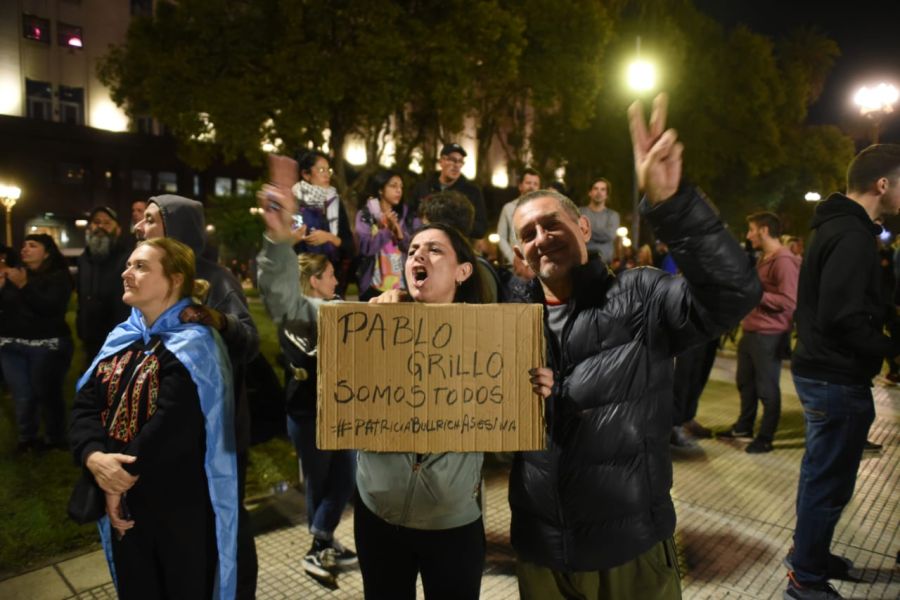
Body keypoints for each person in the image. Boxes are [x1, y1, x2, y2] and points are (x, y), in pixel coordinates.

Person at [508, 94, 761, 599]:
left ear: (584, 227)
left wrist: (673, 205)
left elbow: (734, 293)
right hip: (541, 554)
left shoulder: (639, 295)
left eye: (552, 223)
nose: (542, 237)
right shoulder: (509, 320)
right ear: (519, 253)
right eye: (528, 233)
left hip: (629, 552)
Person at [362, 222, 552, 600]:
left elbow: (506, 439)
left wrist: (537, 393)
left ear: (463, 271)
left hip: (453, 525)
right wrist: (374, 321)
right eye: (413, 248)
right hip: (378, 518)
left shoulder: (492, 343)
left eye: (434, 249)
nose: (418, 255)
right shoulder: (374, 323)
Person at [69, 237, 238, 599]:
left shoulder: (195, 344)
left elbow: (171, 425)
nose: (126, 273)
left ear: (175, 279)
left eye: (140, 266)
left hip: (177, 508)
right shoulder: (122, 337)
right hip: (125, 506)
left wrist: (116, 481)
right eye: (128, 265)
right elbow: (85, 405)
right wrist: (93, 457)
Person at [784, 144, 900, 600]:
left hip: (825, 372)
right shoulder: (852, 236)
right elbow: (843, 317)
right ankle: (806, 578)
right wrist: (891, 347)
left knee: (822, 476)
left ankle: (809, 555)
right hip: (835, 376)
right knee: (828, 483)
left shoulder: (840, 227)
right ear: (883, 184)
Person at [134, 196, 260, 600]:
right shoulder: (147, 278)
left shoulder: (216, 279)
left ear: (176, 228)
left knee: (226, 523)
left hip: (217, 433)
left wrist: (219, 320)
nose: (139, 227)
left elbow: (250, 340)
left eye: (150, 220)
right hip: (169, 436)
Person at [256, 178, 358, 585]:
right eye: (331, 275)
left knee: (333, 480)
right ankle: (321, 545)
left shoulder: (327, 310)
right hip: (309, 413)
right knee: (329, 481)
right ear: (315, 280)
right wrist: (278, 242)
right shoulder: (308, 311)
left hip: (325, 412)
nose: (336, 282)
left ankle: (321, 543)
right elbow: (276, 287)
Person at [721, 212, 800, 454]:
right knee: (746, 382)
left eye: (751, 230)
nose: (748, 235)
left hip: (769, 333)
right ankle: (744, 427)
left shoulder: (784, 260)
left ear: (764, 230)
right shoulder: (766, 257)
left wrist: (755, 294)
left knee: (767, 387)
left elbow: (789, 300)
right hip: (753, 329)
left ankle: (765, 437)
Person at [0, 234, 74, 452]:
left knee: (48, 393)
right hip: (11, 347)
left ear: (47, 252)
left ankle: (55, 438)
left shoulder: (59, 277)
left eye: (33, 246)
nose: (25, 249)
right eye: (24, 245)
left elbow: (50, 307)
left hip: (46, 347)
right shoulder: (14, 275)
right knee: (22, 395)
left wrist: (24, 286)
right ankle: (27, 438)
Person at [291, 150, 354, 295]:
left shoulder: (335, 203)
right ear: (306, 174)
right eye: (321, 170)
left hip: (331, 280)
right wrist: (294, 238)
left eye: (328, 170)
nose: (326, 174)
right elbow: (281, 246)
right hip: (301, 281)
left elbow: (349, 247)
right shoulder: (293, 203)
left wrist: (329, 237)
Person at [77, 206, 133, 365]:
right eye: (96, 222)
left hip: (119, 337)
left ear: (118, 230)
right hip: (90, 337)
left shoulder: (128, 258)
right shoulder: (84, 259)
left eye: (107, 223)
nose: (100, 227)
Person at [355, 169, 417, 301]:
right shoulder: (366, 215)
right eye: (393, 186)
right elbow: (365, 248)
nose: (399, 190)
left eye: (401, 187)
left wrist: (399, 233)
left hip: (402, 285)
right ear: (380, 189)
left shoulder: (408, 216)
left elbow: (413, 248)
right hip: (373, 287)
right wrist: (387, 231)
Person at [410, 143, 488, 240]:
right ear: (441, 161)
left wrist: (453, 222)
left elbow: (481, 229)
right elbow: (410, 215)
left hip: (456, 248)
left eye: (460, 161)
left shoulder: (472, 192)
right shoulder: (424, 187)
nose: (456, 165)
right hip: (425, 243)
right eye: (452, 160)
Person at [497, 168, 542, 268]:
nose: (532, 187)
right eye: (528, 183)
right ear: (520, 186)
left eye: (535, 184)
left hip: (537, 267)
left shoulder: (544, 211)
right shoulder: (508, 208)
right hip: (514, 267)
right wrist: (513, 259)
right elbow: (501, 237)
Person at [579, 177, 621, 263]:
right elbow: (577, 234)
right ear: (589, 193)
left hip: (605, 265)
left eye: (603, 189)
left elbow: (609, 235)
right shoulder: (579, 212)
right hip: (582, 262)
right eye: (595, 188)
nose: (599, 192)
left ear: (607, 195)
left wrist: (586, 230)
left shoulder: (613, 215)